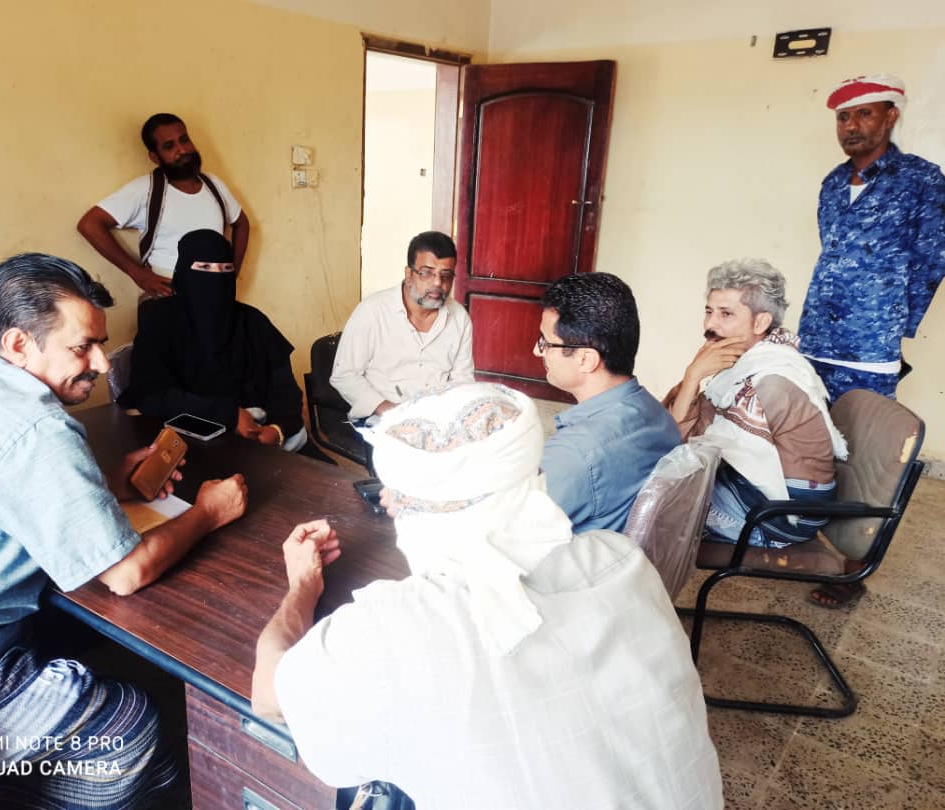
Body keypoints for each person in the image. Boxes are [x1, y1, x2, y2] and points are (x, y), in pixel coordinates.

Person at [0, 253, 247, 807]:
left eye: (100, 344)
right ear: (19, 343)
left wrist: (101, 489)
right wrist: (209, 512)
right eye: (82, 347)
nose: (101, 363)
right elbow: (125, 574)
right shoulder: (35, 425)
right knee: (128, 727)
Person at [249, 382, 723, 809]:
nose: (388, 502)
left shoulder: (397, 628)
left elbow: (268, 695)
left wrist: (302, 585)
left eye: (398, 494)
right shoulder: (620, 559)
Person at [665, 259, 847, 556]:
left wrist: (693, 376)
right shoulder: (745, 364)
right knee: (646, 480)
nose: (710, 325)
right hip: (750, 488)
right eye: (709, 311)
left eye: (726, 314)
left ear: (760, 323)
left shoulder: (771, 379)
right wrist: (692, 376)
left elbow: (681, 442)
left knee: (652, 506)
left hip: (782, 514)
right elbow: (679, 435)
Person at [799, 73, 945, 399]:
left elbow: (932, 261)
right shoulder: (833, 183)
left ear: (890, 116)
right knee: (808, 423)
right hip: (816, 336)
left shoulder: (920, 178)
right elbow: (832, 251)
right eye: (843, 117)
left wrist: (893, 318)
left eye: (865, 113)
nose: (851, 126)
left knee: (865, 426)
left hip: (871, 345)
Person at [120, 229, 322, 458]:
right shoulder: (160, 320)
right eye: (205, 267)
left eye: (226, 268)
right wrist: (229, 415)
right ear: (183, 271)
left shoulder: (253, 322)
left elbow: (284, 388)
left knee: (325, 475)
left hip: (264, 437)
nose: (216, 278)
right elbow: (151, 394)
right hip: (192, 440)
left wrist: (278, 430)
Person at [535, 273, 681, 533]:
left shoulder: (574, 454)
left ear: (586, 359)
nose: (537, 351)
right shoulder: (657, 415)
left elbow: (506, 531)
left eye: (546, 342)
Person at [77, 112, 251, 298]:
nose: (182, 150)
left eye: (184, 140)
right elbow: (90, 224)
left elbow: (242, 224)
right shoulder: (146, 189)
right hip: (170, 295)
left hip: (215, 294)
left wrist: (231, 274)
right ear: (155, 157)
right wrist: (137, 274)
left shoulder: (214, 184)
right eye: (169, 146)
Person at [330, 231, 474, 423]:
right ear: (409, 274)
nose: (437, 283)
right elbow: (344, 375)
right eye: (426, 273)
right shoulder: (372, 311)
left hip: (438, 421)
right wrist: (390, 411)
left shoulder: (459, 318)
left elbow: (462, 381)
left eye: (446, 275)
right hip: (381, 419)